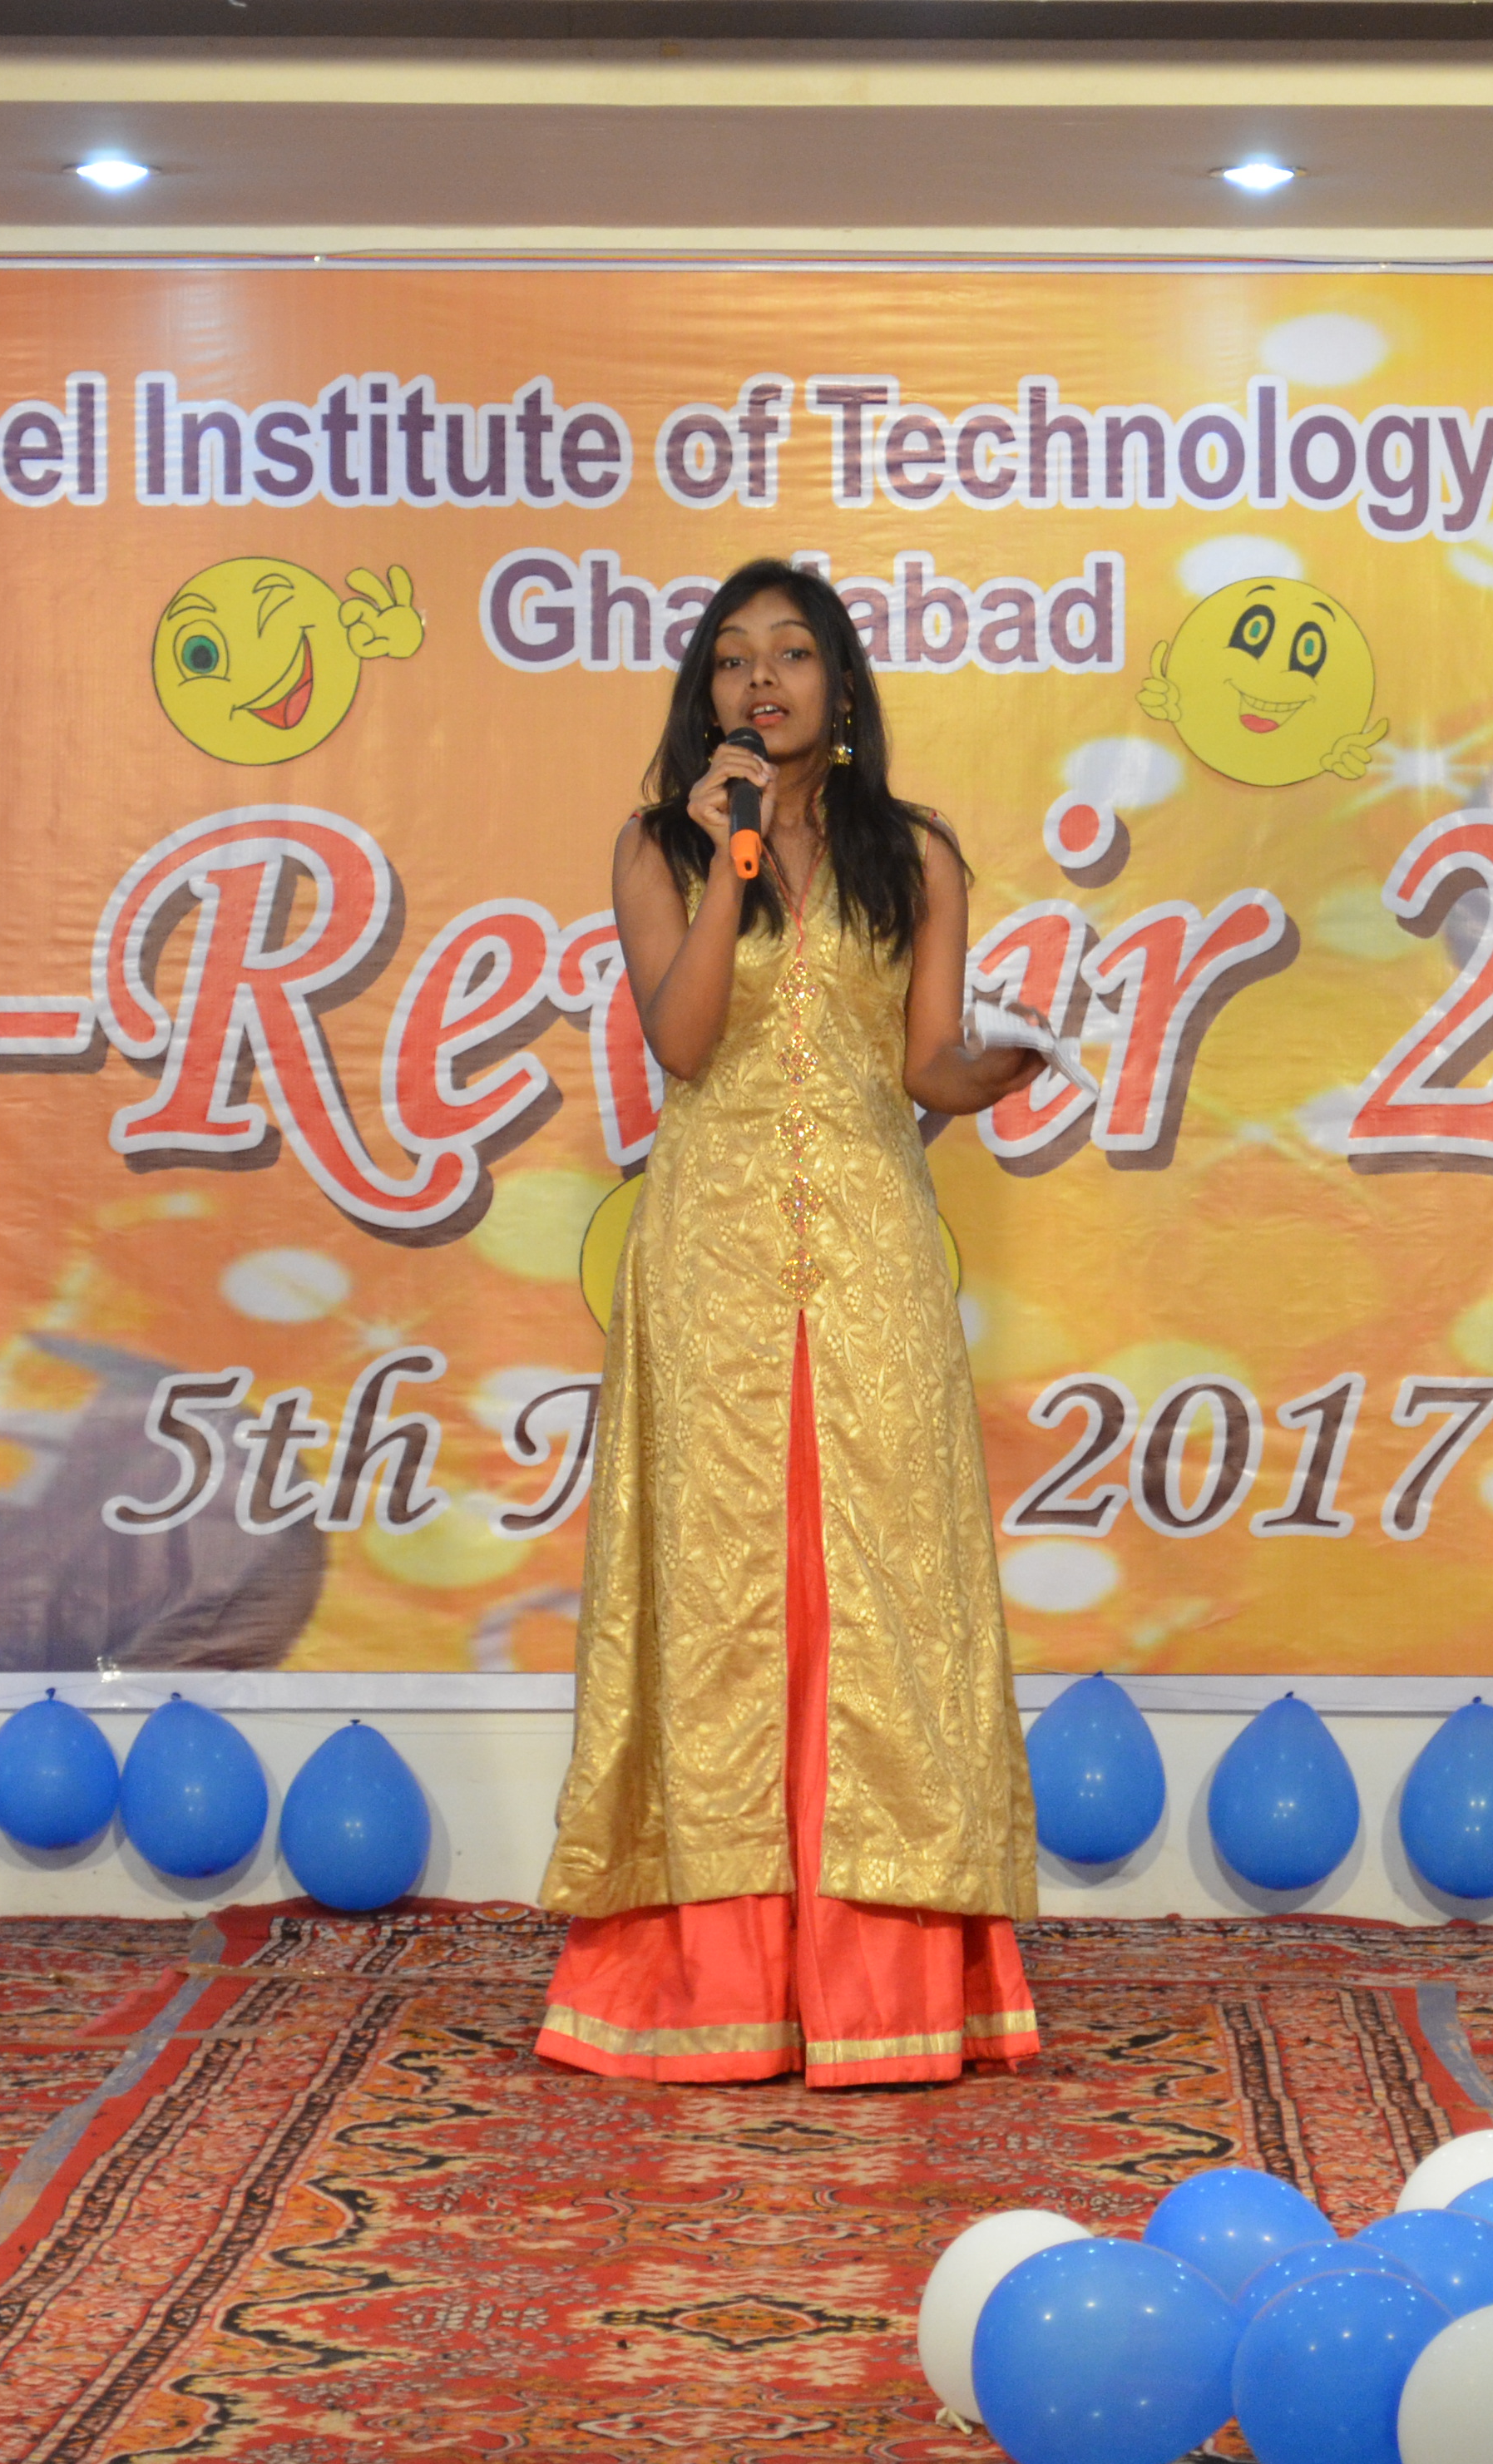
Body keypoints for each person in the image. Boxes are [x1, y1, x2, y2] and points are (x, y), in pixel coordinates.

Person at [534, 560, 1049, 2089]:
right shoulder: (660, 846)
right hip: (713, 1255)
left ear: (840, 684)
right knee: (721, 1598)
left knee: (880, 1590)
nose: (762, 680)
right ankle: (719, 1983)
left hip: (873, 1252)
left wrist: (996, 1071)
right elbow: (685, 1043)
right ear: (707, 695)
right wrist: (727, 859)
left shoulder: (916, 854)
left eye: (793, 653)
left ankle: (886, 1983)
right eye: (733, 659)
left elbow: (926, 1064)